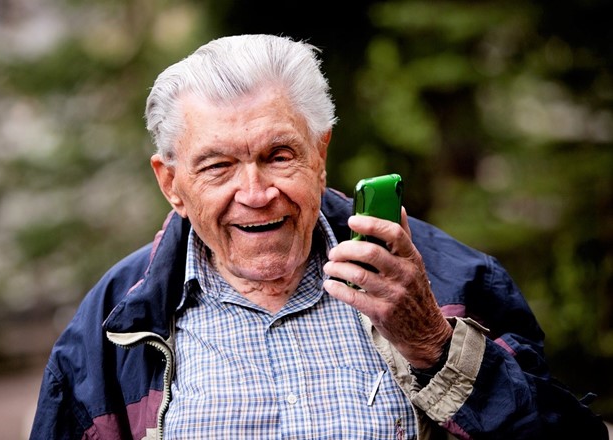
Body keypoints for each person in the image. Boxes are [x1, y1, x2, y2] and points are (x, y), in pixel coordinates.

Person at [30, 34, 607, 440]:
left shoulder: (448, 279)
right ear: (171, 183)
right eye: (217, 167)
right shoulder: (113, 322)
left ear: (320, 155)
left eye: (279, 154)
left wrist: (432, 341)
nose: (255, 193)